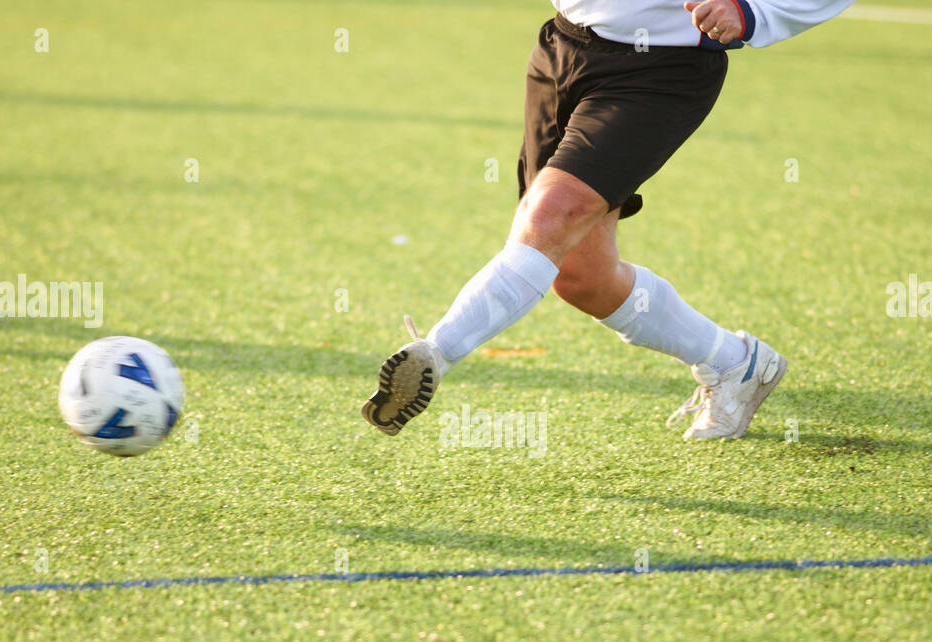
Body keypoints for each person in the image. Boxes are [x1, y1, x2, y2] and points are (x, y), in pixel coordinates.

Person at [362, 0, 855, 439]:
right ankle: (736, 363)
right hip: (562, 47)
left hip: (660, 68)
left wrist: (754, 11)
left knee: (551, 215)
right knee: (581, 277)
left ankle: (436, 352)